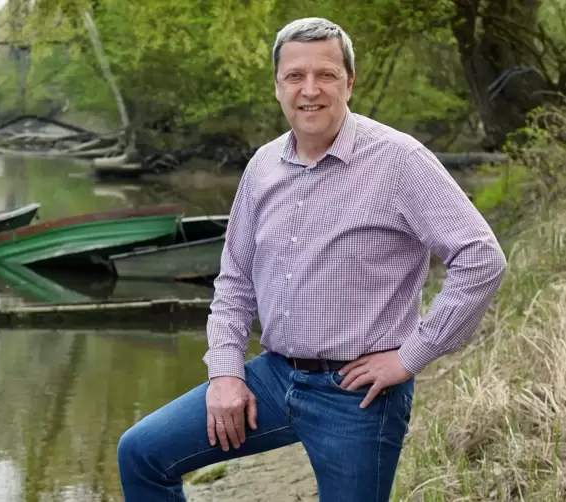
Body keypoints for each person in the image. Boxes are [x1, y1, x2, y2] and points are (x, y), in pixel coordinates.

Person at [117, 16, 507, 502]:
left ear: (350, 83)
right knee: (141, 454)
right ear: (277, 87)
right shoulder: (262, 167)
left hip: (358, 395)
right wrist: (225, 372)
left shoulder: (399, 160)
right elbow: (235, 281)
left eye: (325, 75)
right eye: (295, 76)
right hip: (273, 376)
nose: (310, 90)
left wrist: (412, 356)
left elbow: (481, 258)